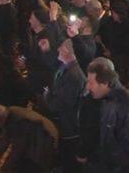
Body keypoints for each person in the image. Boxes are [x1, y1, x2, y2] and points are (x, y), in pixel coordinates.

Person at [84, 57, 129, 172]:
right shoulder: (107, 100)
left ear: (105, 83)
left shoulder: (128, 107)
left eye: (91, 83)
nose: (87, 87)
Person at [43, 38, 86, 172]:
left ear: (67, 50)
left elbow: (62, 104)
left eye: (60, 47)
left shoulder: (73, 75)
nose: (58, 49)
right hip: (66, 123)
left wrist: (47, 96)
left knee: (70, 158)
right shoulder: (66, 68)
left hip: (70, 126)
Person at [0, 104, 59, 173]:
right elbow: (5, 138)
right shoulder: (8, 113)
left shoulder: (19, 122)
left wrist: (4, 169)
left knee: (30, 167)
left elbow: (17, 150)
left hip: (45, 140)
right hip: (36, 137)